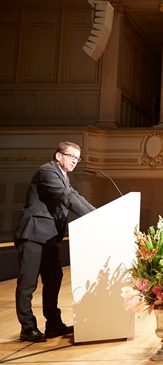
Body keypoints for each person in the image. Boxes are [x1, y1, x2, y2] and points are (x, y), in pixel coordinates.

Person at [14, 142, 96, 343]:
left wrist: (98, 214)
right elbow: (66, 197)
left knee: (54, 279)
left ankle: (53, 324)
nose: (75, 161)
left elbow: (75, 195)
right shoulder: (47, 171)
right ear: (59, 156)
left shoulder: (63, 177)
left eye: (77, 158)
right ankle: (27, 327)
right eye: (71, 156)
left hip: (49, 237)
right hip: (33, 234)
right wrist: (95, 217)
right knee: (28, 283)